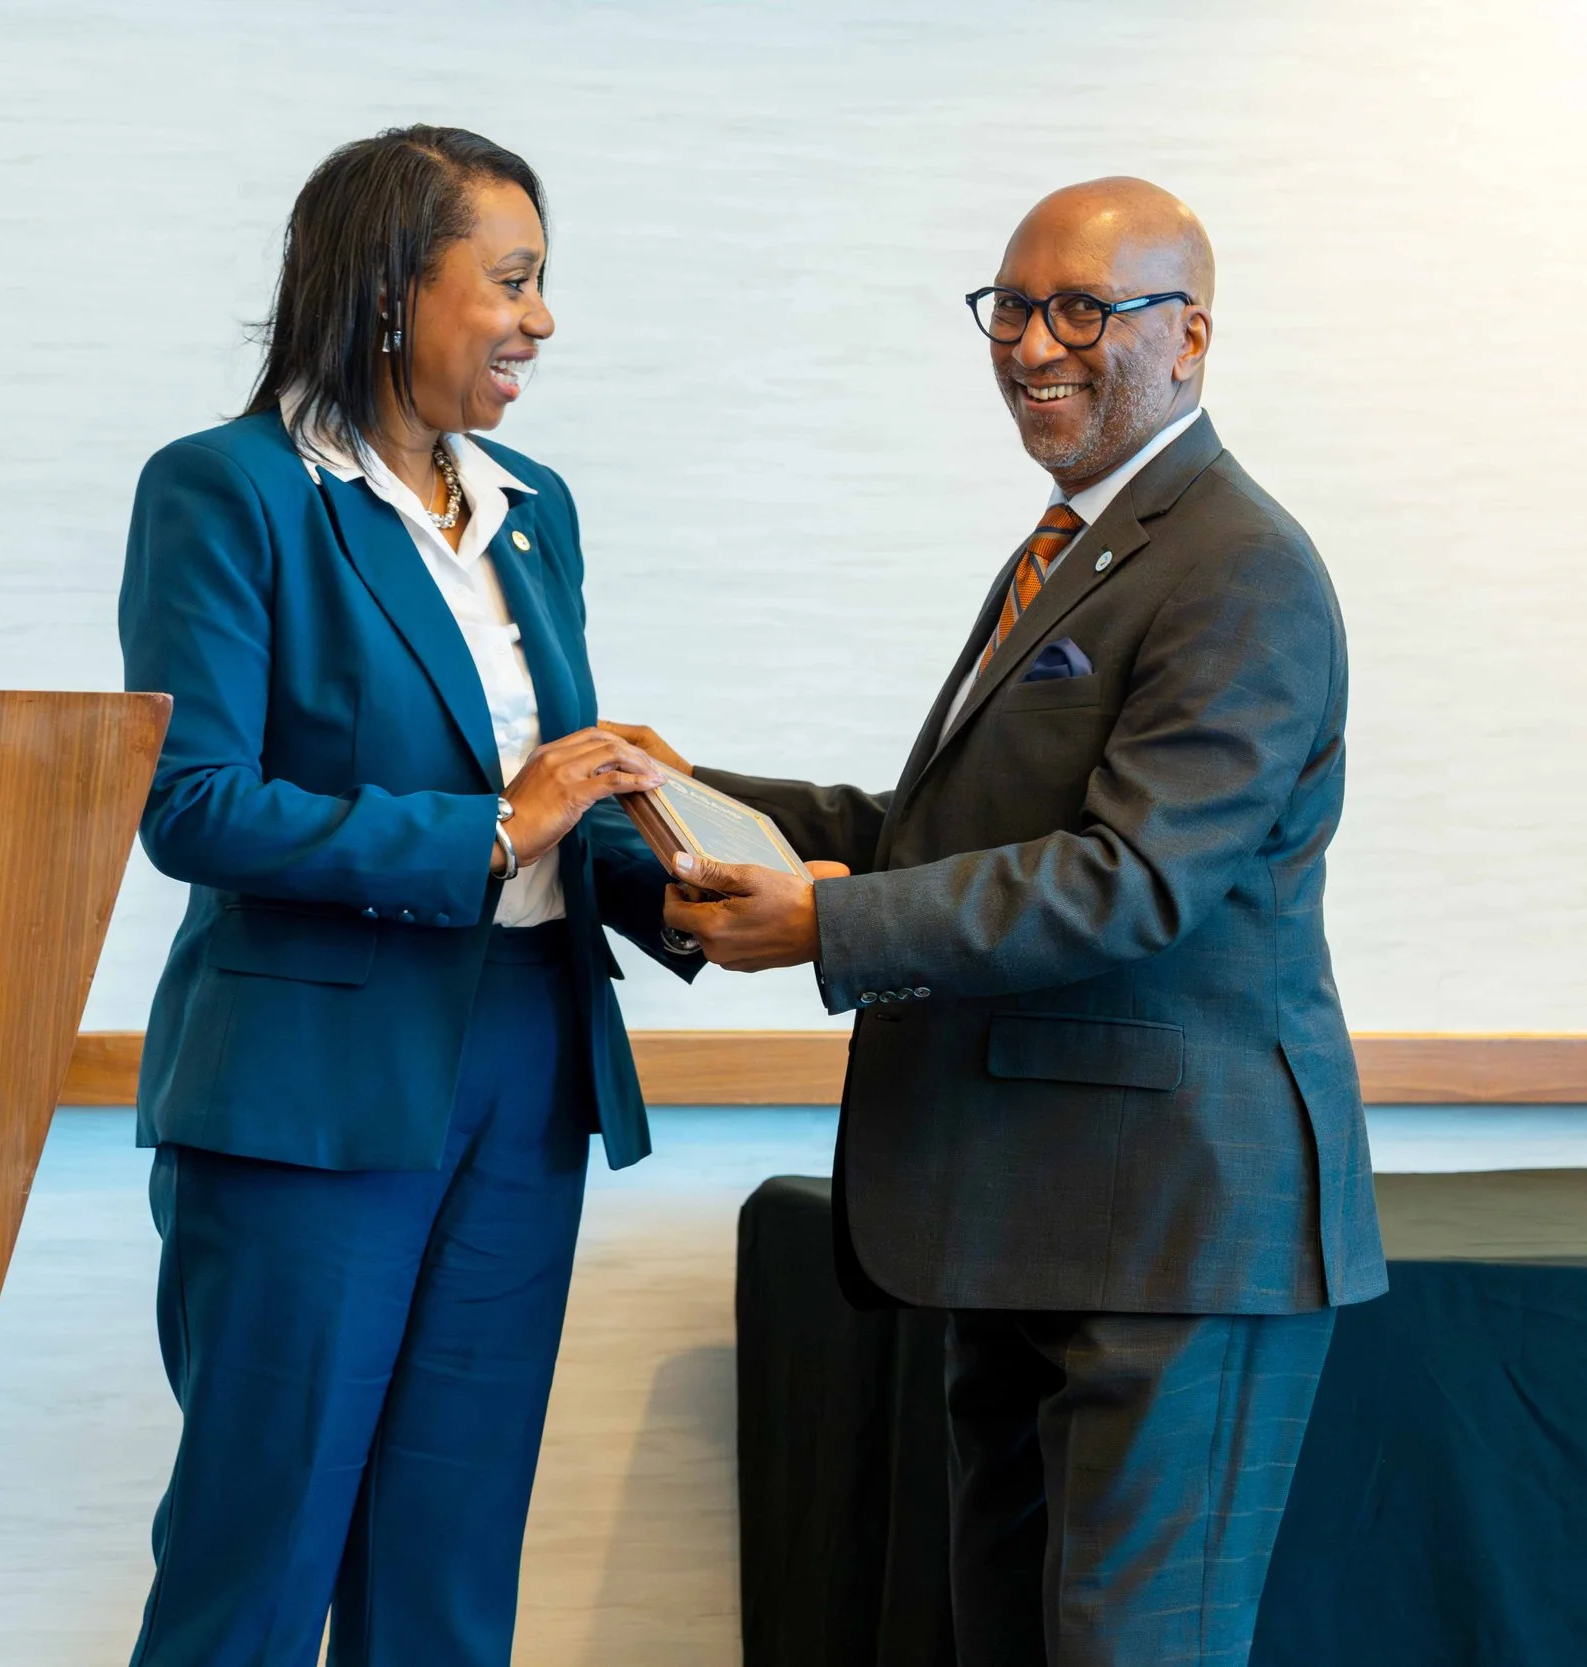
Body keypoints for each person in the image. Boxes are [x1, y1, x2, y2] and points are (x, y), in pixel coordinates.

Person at [609, 178, 1386, 1666]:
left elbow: (1131, 880)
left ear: (1190, 335)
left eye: (1083, 309)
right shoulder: (1080, 544)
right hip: (1028, 1224)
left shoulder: (1240, 565)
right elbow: (949, 839)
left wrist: (832, 927)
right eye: (1012, 308)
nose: (1035, 345)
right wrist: (681, 790)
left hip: (1171, 1236)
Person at [117, 125, 697, 1667]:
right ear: (389, 287)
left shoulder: (532, 504)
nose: (541, 320)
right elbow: (193, 803)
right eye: (511, 280)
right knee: (256, 1566)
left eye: (543, 283)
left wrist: (696, 876)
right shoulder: (230, 490)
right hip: (313, 1082)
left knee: (447, 1568)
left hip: (528, 1059)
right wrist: (494, 831)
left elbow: (554, 799)